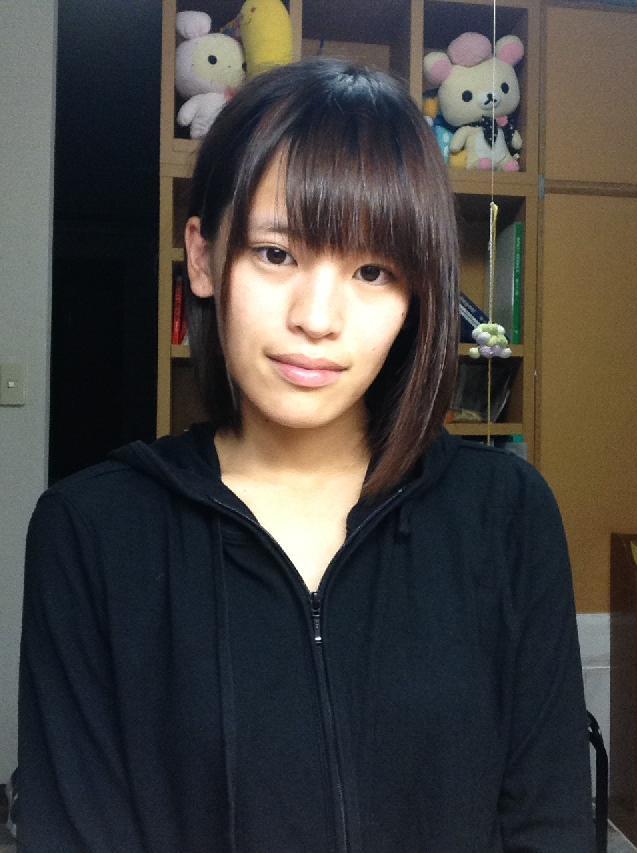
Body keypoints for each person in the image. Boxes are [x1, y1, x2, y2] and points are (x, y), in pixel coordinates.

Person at [18, 58, 592, 852]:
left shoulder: (507, 518)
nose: (317, 318)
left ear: (416, 295)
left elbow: (549, 825)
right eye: (277, 254)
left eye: (371, 270)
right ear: (203, 257)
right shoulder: (91, 533)